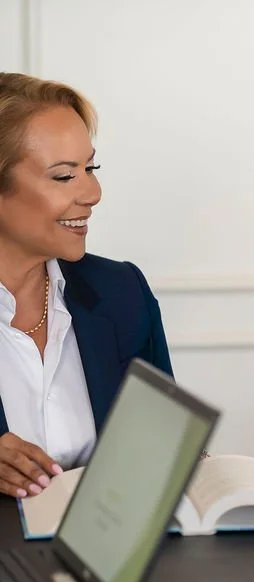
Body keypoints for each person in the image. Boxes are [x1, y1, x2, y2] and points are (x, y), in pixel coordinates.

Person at [0, 73, 171, 499]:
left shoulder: (122, 292)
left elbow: (158, 448)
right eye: (63, 177)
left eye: (90, 168)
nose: (93, 192)